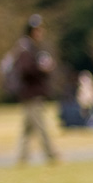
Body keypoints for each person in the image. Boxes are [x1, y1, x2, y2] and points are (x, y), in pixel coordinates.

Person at [15, 14, 60, 165]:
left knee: (27, 129)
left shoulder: (32, 47)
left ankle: (22, 158)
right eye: (38, 30)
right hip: (31, 93)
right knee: (40, 127)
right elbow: (26, 70)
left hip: (30, 93)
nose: (40, 33)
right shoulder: (26, 48)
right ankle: (51, 155)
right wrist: (42, 69)